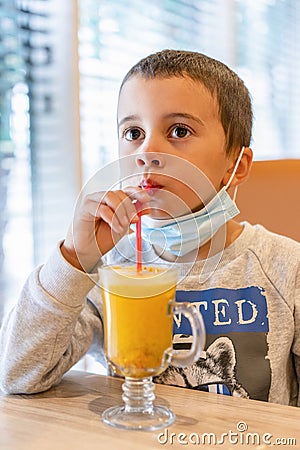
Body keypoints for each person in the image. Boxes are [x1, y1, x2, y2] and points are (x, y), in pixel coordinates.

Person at [0, 49, 299, 406]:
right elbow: (18, 374)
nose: (147, 151)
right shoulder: (105, 271)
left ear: (237, 164)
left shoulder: (287, 267)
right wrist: (73, 259)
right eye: (133, 132)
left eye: (178, 130)